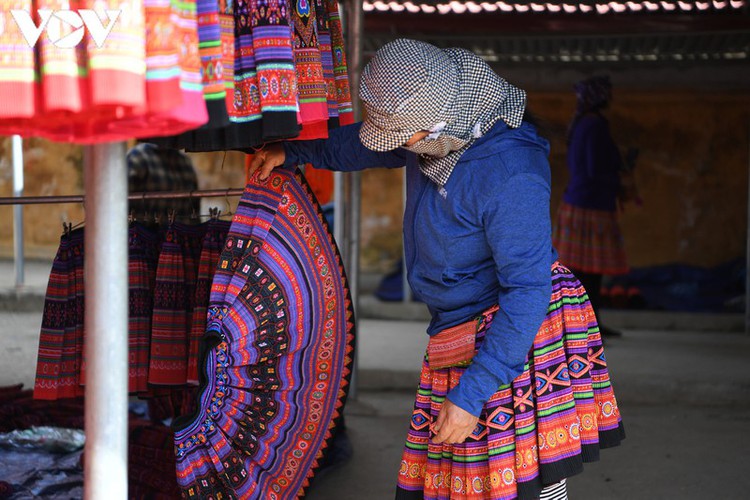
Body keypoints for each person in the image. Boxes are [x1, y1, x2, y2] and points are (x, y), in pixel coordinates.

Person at [249, 39, 625, 500]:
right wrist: (295, 152)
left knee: (529, 475)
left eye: (403, 139)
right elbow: (362, 144)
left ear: (437, 126)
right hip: (459, 325)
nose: (398, 147)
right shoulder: (437, 129)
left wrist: (472, 393)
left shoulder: (511, 173)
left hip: (514, 329)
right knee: (467, 476)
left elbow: (527, 291)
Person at [552, 75, 633, 339]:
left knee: (581, 271)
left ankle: (587, 324)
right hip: (591, 205)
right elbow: (592, 169)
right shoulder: (594, 125)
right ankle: (586, 325)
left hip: (581, 201)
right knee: (588, 272)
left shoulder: (581, 124)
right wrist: (619, 175)